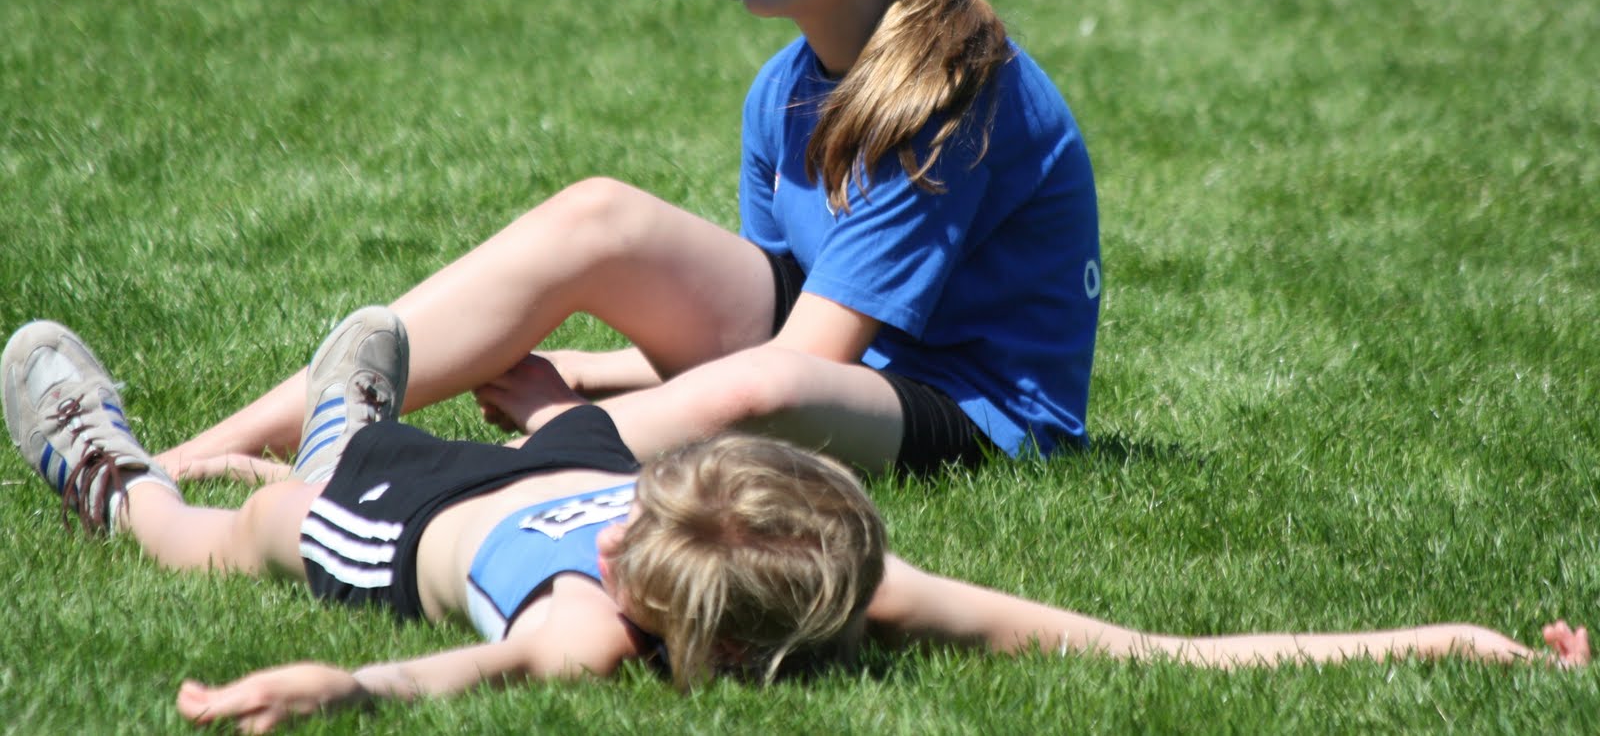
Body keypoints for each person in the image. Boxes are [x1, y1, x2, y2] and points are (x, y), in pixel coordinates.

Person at [157, 0, 1102, 482]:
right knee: (597, 212)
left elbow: (790, 371)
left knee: (762, 392)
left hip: (973, 414)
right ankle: (205, 453)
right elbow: (780, 301)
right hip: (832, 365)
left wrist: (568, 409)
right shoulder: (782, 87)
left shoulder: (950, 93)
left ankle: (404, 480)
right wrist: (606, 367)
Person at [4, 313, 1588, 733]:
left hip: (427, 520)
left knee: (279, 508)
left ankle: (130, 463)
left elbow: (1150, 650)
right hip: (512, 478)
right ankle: (330, 417)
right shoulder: (771, 565)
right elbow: (1166, 641)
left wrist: (342, 680)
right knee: (535, 437)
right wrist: (1459, 638)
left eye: (627, 558)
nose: (613, 547)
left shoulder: (590, 626)